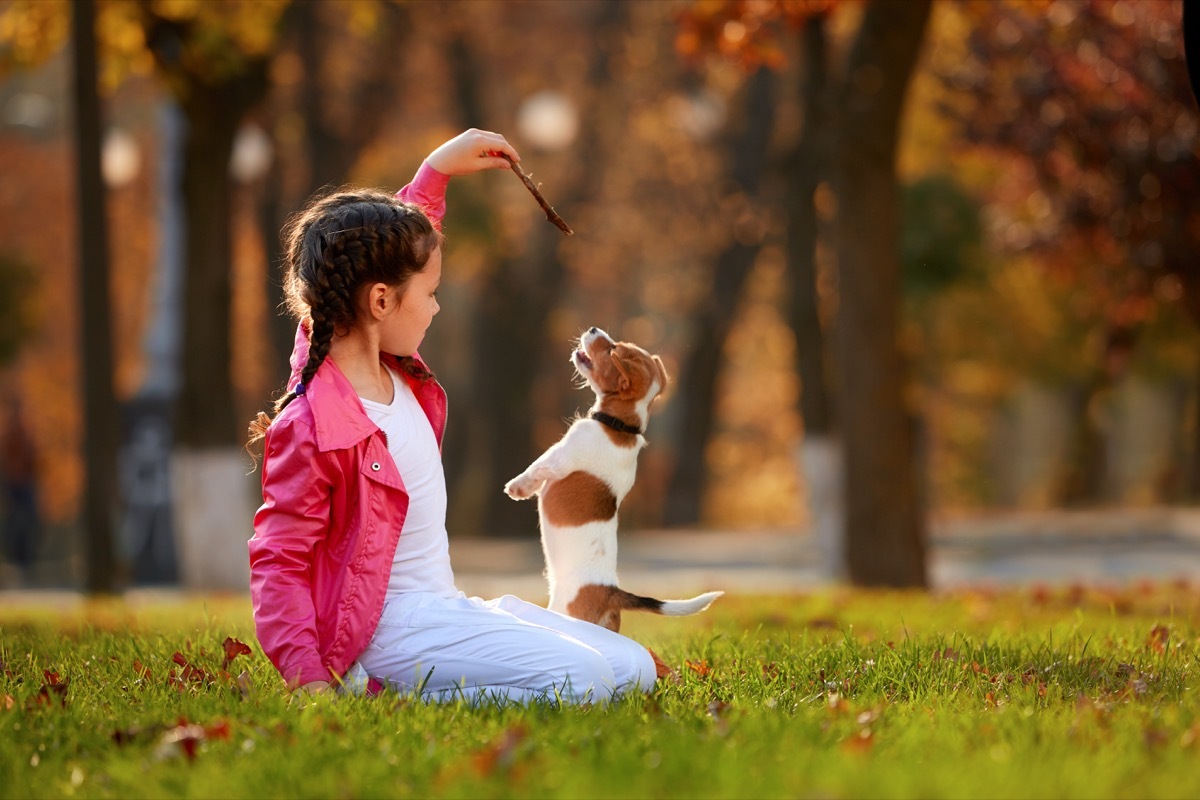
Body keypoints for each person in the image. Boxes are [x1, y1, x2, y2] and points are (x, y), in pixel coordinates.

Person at [247, 129, 656, 704]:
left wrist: (435, 171)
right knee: (588, 683)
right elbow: (279, 561)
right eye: (432, 292)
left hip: (442, 610)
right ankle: (377, 697)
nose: (437, 305)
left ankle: (438, 671)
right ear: (382, 302)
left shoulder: (396, 368)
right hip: (386, 632)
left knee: (633, 670)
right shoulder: (314, 421)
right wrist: (309, 681)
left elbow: (385, 250)